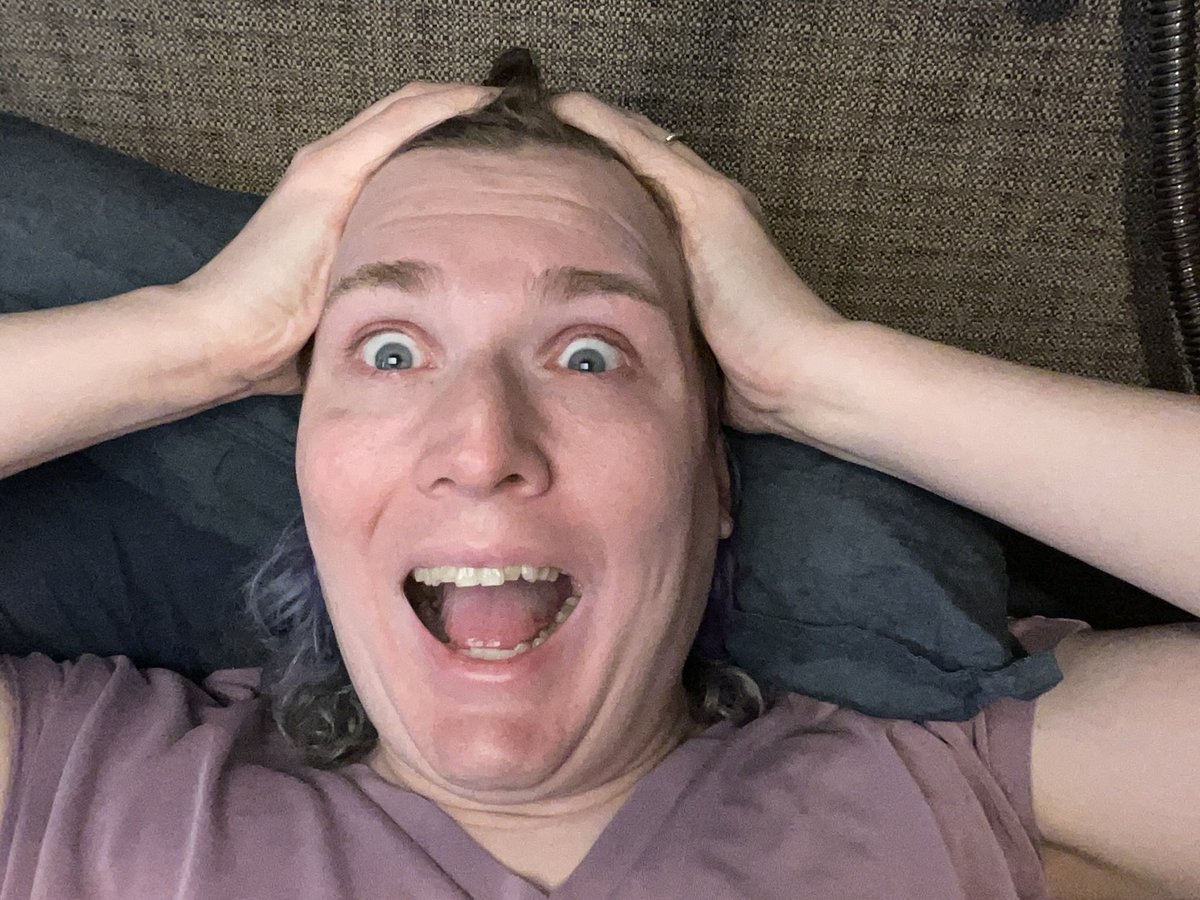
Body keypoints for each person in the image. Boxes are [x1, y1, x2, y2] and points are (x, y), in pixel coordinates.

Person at [0, 48, 1198, 899]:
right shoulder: (79, 784)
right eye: (391, 352)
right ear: (304, 462)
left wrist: (820, 374)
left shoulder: (948, 787)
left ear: (717, 481)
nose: (481, 446)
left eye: (589, 356)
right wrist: (200, 337)